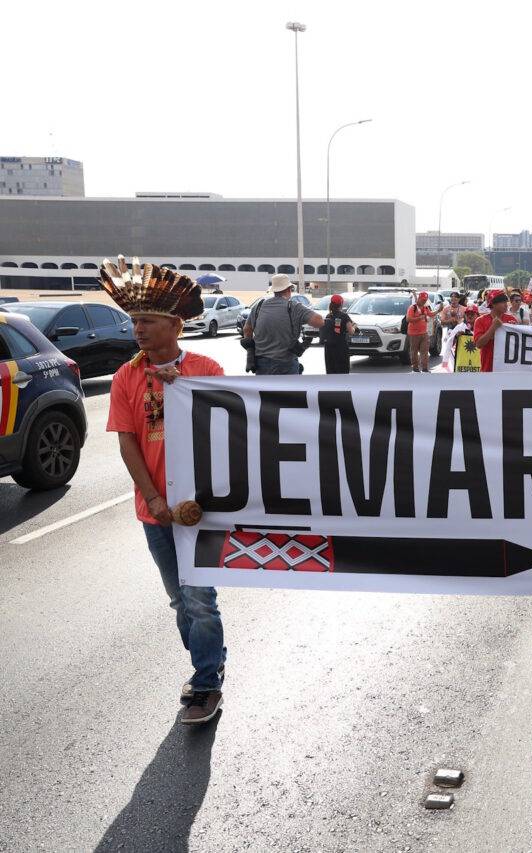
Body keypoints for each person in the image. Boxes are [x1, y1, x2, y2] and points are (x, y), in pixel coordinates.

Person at [99, 258, 227, 725]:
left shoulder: (206, 369)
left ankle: (206, 682)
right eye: (134, 321)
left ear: (175, 325)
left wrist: (187, 389)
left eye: (147, 321)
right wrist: (153, 498)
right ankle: (210, 661)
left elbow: (232, 429)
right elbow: (127, 442)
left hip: (200, 509)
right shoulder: (125, 376)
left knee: (199, 599)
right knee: (179, 601)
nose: (138, 329)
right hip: (154, 512)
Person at [242, 273, 323, 374]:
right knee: (289, 385)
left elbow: (247, 329)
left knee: (264, 385)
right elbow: (319, 321)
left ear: (274, 290)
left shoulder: (259, 306)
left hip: (262, 364)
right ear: (289, 289)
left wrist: (250, 352)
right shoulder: (294, 307)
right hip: (286, 364)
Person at [471, 290, 519, 372]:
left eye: (506, 302)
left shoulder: (511, 319)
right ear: (493, 304)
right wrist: (493, 327)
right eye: (502, 302)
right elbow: (479, 344)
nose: (506, 304)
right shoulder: (480, 321)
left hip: (508, 369)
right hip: (488, 368)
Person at [320, 294, 356, 375]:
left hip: (329, 348)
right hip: (341, 348)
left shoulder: (328, 316)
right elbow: (351, 331)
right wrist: (354, 326)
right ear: (341, 304)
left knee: (331, 370)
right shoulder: (344, 316)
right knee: (342, 371)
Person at [404, 291, 435, 373]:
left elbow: (430, 314)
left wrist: (438, 310)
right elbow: (408, 319)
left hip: (424, 333)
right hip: (413, 334)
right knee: (414, 351)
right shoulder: (412, 308)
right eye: (423, 299)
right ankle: (415, 368)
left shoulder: (425, 308)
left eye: (425, 300)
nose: (424, 301)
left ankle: (425, 369)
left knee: (424, 351)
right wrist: (419, 318)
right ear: (419, 298)